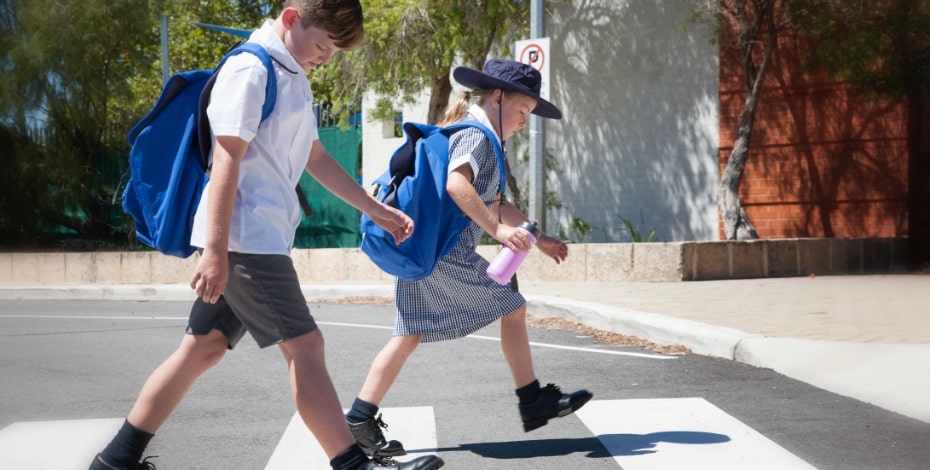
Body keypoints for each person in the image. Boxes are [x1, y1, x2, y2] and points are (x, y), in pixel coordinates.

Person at [89, 2, 444, 470]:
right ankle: (352, 464)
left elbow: (315, 158)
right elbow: (226, 159)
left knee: (203, 348)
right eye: (322, 45)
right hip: (245, 239)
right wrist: (214, 251)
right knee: (306, 347)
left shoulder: (292, 74)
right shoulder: (250, 70)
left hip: (257, 238)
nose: (325, 57)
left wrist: (378, 211)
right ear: (292, 17)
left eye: (333, 52)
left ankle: (115, 461)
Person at [345, 59, 593, 458]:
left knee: (408, 333)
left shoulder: (480, 137)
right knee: (513, 306)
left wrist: (539, 238)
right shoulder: (477, 136)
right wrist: (497, 232)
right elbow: (457, 184)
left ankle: (359, 418)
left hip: (425, 250)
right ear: (496, 97)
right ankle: (532, 401)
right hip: (445, 254)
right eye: (521, 111)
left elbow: (495, 202)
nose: (522, 122)